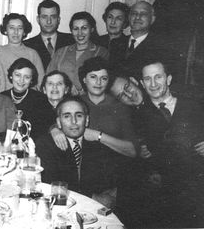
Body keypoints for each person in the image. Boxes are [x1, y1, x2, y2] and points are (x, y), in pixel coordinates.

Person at [50, 57, 137, 208]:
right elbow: (57, 121)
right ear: (84, 79)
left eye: (103, 78)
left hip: (109, 181)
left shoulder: (120, 108)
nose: (98, 82)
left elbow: (132, 150)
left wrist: (99, 136)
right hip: (77, 180)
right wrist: (54, 130)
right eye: (93, 77)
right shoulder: (76, 102)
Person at [127, 59, 204, 228]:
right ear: (142, 83)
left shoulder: (194, 105)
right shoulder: (136, 115)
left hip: (197, 189)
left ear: (168, 79)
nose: (153, 84)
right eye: (147, 79)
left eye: (158, 77)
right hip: (160, 194)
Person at [36, 96, 133, 207]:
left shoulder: (97, 145)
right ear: (58, 122)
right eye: (67, 116)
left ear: (86, 120)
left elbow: (109, 184)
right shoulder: (45, 144)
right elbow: (51, 184)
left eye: (79, 115)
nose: (74, 122)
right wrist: (92, 197)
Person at [47, 11, 109, 95]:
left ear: (92, 29)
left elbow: (105, 81)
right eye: (76, 29)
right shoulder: (61, 52)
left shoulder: (101, 52)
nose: (80, 33)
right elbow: (48, 77)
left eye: (84, 28)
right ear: (71, 31)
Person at [0, 13, 45, 90]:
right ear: (5, 30)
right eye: (11, 28)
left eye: (20, 28)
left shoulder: (32, 54)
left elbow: (41, 83)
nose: (16, 32)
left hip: (26, 98)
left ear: (24, 32)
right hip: (1, 98)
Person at [1, 58, 53, 140]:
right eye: (18, 75)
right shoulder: (1, 97)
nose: (21, 80)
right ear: (11, 76)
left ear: (31, 80)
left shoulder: (40, 99)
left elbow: (47, 127)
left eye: (27, 77)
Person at [23, 0, 74, 69]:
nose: (49, 21)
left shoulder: (71, 40)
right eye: (44, 17)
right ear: (38, 19)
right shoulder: (27, 45)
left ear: (58, 19)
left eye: (53, 17)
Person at [97, 2, 130, 66]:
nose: (113, 22)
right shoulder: (96, 41)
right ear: (105, 19)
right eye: (110, 17)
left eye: (118, 18)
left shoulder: (129, 44)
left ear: (125, 23)